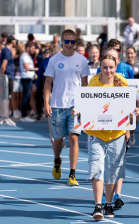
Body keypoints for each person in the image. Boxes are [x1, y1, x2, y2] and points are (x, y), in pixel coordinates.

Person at [76, 54, 130, 220]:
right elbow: (84, 106)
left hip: (116, 134)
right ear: (100, 68)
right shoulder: (92, 83)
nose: (108, 71)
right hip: (96, 133)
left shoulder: (123, 83)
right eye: (105, 67)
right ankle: (97, 205)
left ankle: (108, 204)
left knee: (113, 171)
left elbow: (127, 108)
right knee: (97, 168)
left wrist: (131, 115)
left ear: (116, 67)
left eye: (111, 67)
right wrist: (78, 111)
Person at [44, 29, 90, 186]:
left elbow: (85, 84)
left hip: (75, 106)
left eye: (73, 42)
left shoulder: (82, 60)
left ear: (76, 43)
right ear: (61, 42)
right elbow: (48, 83)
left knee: (74, 137)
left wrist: (83, 104)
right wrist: (46, 102)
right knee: (58, 140)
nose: (70, 45)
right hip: (57, 104)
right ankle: (57, 159)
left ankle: (72, 174)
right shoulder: (54, 60)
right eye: (67, 41)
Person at [19, 42, 38, 122]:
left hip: (29, 78)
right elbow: (26, 67)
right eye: (32, 48)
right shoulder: (24, 56)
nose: (34, 50)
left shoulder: (28, 56)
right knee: (25, 97)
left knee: (27, 97)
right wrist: (36, 69)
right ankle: (23, 115)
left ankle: (24, 115)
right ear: (28, 48)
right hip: (26, 78)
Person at [0, 35, 16, 111]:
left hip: (7, 76)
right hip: (8, 76)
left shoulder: (5, 50)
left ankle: (5, 114)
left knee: (6, 96)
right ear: (13, 42)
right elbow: (4, 65)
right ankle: (5, 114)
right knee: (6, 96)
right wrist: (1, 76)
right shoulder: (7, 51)